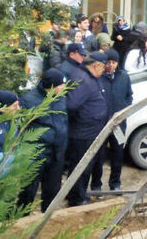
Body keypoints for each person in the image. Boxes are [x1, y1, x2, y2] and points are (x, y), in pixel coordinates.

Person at [18, 69, 67, 212]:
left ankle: (47, 219)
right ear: (51, 86)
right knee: (28, 191)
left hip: (57, 154)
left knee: (52, 190)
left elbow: (64, 121)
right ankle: (21, 219)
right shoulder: (28, 100)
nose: (64, 87)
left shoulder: (61, 97)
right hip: (36, 155)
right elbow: (21, 128)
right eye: (61, 85)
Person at [65, 52, 108, 207]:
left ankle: (78, 193)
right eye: (103, 67)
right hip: (83, 133)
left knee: (86, 166)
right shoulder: (83, 80)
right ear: (96, 65)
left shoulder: (91, 78)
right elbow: (72, 105)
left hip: (91, 131)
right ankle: (76, 198)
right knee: (81, 167)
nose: (105, 70)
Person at [98, 49, 133, 191]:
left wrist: (124, 110)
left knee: (118, 154)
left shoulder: (124, 77)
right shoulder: (99, 77)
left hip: (119, 123)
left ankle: (115, 183)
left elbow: (129, 95)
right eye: (108, 62)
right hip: (102, 123)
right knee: (99, 156)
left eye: (113, 62)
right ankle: (96, 185)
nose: (110, 65)